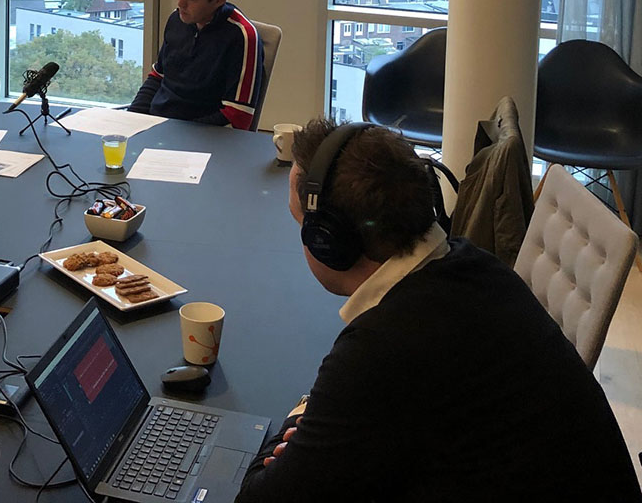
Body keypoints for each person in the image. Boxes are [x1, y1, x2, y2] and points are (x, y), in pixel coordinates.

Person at [236, 119, 641, 502]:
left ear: (328, 240)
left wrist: (298, 418)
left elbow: (258, 497)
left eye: (301, 224)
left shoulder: (386, 349)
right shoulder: (472, 265)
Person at [128, 0, 264, 130]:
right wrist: (130, 120)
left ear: (218, 0)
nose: (180, 3)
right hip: (159, 127)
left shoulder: (242, 37)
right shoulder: (177, 19)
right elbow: (157, 77)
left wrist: (175, 133)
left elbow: (238, 116)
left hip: (199, 139)